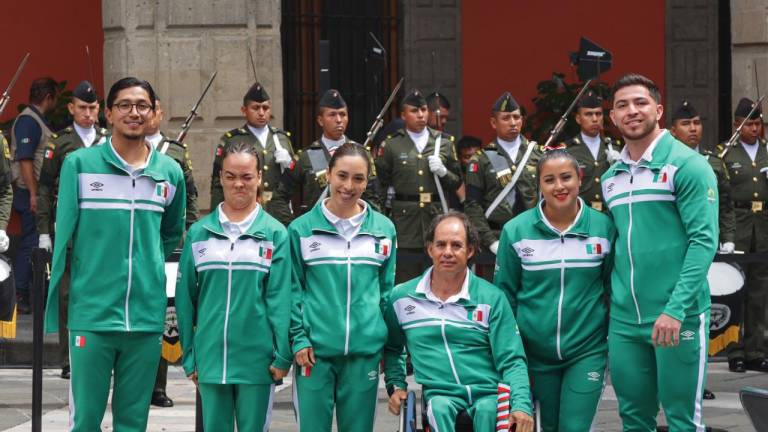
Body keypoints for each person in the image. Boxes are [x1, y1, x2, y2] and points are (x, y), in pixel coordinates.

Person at [43, 77, 186, 431]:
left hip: (145, 314)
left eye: (142, 106)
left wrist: (145, 268)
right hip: (93, 314)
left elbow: (170, 234)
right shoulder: (79, 164)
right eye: (124, 105)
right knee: (86, 420)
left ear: (153, 114)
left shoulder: (169, 171)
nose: (133, 113)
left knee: (133, 422)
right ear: (108, 113)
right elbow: (66, 235)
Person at [601, 73, 718, 430]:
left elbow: (703, 242)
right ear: (613, 118)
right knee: (634, 419)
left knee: (683, 420)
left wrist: (675, 309)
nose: (632, 111)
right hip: (624, 322)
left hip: (675, 317)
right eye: (622, 105)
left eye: (640, 103)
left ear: (658, 110)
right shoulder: (611, 178)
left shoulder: (688, 165)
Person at [494, 150, 615, 431]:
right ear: (539, 185)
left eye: (566, 177)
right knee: (543, 427)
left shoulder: (603, 228)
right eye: (549, 180)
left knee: (575, 427)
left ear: (579, 179)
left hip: (587, 352)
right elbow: (505, 297)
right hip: (533, 354)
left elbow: (612, 288)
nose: (559, 186)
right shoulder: (516, 231)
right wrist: (510, 350)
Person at [176, 141, 291, 431]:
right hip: (210, 361)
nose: (238, 184)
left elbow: (280, 299)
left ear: (259, 177)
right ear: (221, 178)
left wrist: (282, 355)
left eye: (247, 176)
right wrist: (189, 356)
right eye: (230, 176)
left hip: (258, 363)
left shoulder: (275, 234)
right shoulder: (199, 233)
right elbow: (185, 298)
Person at [385, 212, 533, 432]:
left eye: (456, 245)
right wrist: (396, 385)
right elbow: (392, 348)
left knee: (488, 410)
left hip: (489, 393)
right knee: (439, 408)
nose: (447, 252)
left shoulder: (491, 298)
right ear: (429, 249)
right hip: (440, 395)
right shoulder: (401, 298)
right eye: (440, 244)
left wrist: (521, 405)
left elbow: (512, 359)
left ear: (470, 250)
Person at [290, 143, 396, 432]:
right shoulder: (301, 230)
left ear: (367, 181)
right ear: (329, 176)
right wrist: (299, 338)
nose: (349, 186)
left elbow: (386, 293)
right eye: (342, 176)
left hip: (364, 356)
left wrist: (387, 344)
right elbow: (292, 291)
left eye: (358, 178)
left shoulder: (384, 230)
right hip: (315, 355)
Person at [36, 80, 108, 380]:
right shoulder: (60, 142)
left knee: (101, 291)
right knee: (67, 295)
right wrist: (43, 230)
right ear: (71, 108)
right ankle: (68, 358)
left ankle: (100, 351)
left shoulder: (109, 141)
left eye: (93, 108)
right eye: (82, 108)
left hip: (102, 232)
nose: (88, 113)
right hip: (68, 230)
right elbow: (44, 188)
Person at [669, 99, 734, 400]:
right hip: (677, 251)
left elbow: (727, 205)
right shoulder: (667, 163)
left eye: (696, 123)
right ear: (672, 129)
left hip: (707, 247)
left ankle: (699, 377)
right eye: (686, 124)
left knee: (704, 316)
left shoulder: (713, 161)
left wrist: (728, 238)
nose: (693, 129)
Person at [143, 97, 199, 407]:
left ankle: (157, 387)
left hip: (171, 244)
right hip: (140, 242)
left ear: (161, 114)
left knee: (164, 313)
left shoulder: (176, 153)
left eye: (153, 110)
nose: (147, 115)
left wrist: (189, 234)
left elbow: (190, 197)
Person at [376, 89, 461, 284]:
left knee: (439, 276)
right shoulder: (392, 145)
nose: (421, 115)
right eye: (415, 111)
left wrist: (443, 172)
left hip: (436, 216)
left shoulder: (444, 143)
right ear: (403, 115)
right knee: (406, 276)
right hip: (405, 223)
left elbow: (457, 181)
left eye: (424, 110)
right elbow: (380, 185)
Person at [720, 97, 768, 373]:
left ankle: (756, 350)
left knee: (760, 291)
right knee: (736, 289)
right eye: (748, 123)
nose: (753, 128)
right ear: (737, 125)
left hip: (762, 225)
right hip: (737, 223)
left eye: (757, 123)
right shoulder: (726, 153)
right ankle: (735, 351)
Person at [278, 89, 380, 215]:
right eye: (332, 115)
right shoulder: (307, 156)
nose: (338, 120)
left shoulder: (361, 154)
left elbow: (373, 198)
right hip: (318, 228)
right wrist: (290, 226)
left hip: (354, 227)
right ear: (320, 120)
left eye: (342, 114)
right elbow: (279, 196)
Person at [464, 91, 541, 256]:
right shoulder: (481, 159)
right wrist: (490, 241)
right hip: (496, 238)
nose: (513, 123)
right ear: (493, 122)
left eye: (516, 117)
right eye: (506, 118)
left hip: (532, 236)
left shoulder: (537, 154)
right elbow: (472, 205)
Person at [211, 82, 294, 224]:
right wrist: (215, 218)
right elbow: (218, 182)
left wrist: (290, 165)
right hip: (244, 209)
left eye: (265, 108)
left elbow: (294, 178)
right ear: (244, 110)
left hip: (278, 211)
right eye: (255, 108)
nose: (261, 113)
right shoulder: (232, 140)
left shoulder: (281, 138)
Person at [10, 77, 58, 313]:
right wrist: (33, 194)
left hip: (35, 191)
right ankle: (20, 293)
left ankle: (26, 293)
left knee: (33, 241)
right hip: (30, 191)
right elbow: (25, 160)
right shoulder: (29, 121)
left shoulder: (36, 120)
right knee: (30, 243)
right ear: (49, 97)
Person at [556, 90, 620, 211]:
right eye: (589, 114)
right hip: (579, 213)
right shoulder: (567, 151)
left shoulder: (613, 148)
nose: (595, 119)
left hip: (609, 212)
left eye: (598, 114)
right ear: (578, 118)